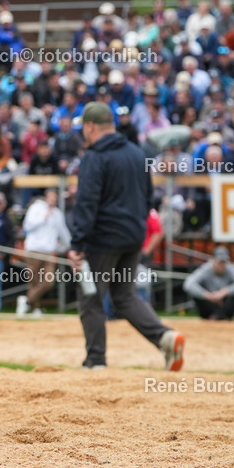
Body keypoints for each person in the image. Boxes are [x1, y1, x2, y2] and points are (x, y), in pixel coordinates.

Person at [68, 101, 185, 371]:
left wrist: (78, 244)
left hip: (102, 240)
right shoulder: (136, 153)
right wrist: (136, 228)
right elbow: (148, 198)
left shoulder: (94, 157)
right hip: (133, 238)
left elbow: (86, 203)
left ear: (90, 127)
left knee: (91, 298)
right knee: (124, 296)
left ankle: (96, 360)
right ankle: (165, 337)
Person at [19, 188, 71, 317]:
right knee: (34, 281)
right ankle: (35, 308)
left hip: (49, 252)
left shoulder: (58, 214)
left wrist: (72, 247)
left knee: (49, 281)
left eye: (55, 197)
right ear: (46, 197)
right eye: (51, 196)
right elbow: (27, 226)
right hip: (34, 250)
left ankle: (26, 301)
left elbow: (63, 232)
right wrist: (43, 217)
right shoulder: (36, 208)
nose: (53, 199)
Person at [183, 247, 234, 320]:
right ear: (213, 260)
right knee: (197, 293)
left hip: (225, 305)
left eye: (224, 262)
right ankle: (215, 316)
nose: (222, 265)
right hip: (209, 305)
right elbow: (188, 284)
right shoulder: (205, 269)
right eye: (220, 262)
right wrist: (209, 296)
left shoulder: (231, 268)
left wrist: (224, 292)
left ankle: (222, 316)